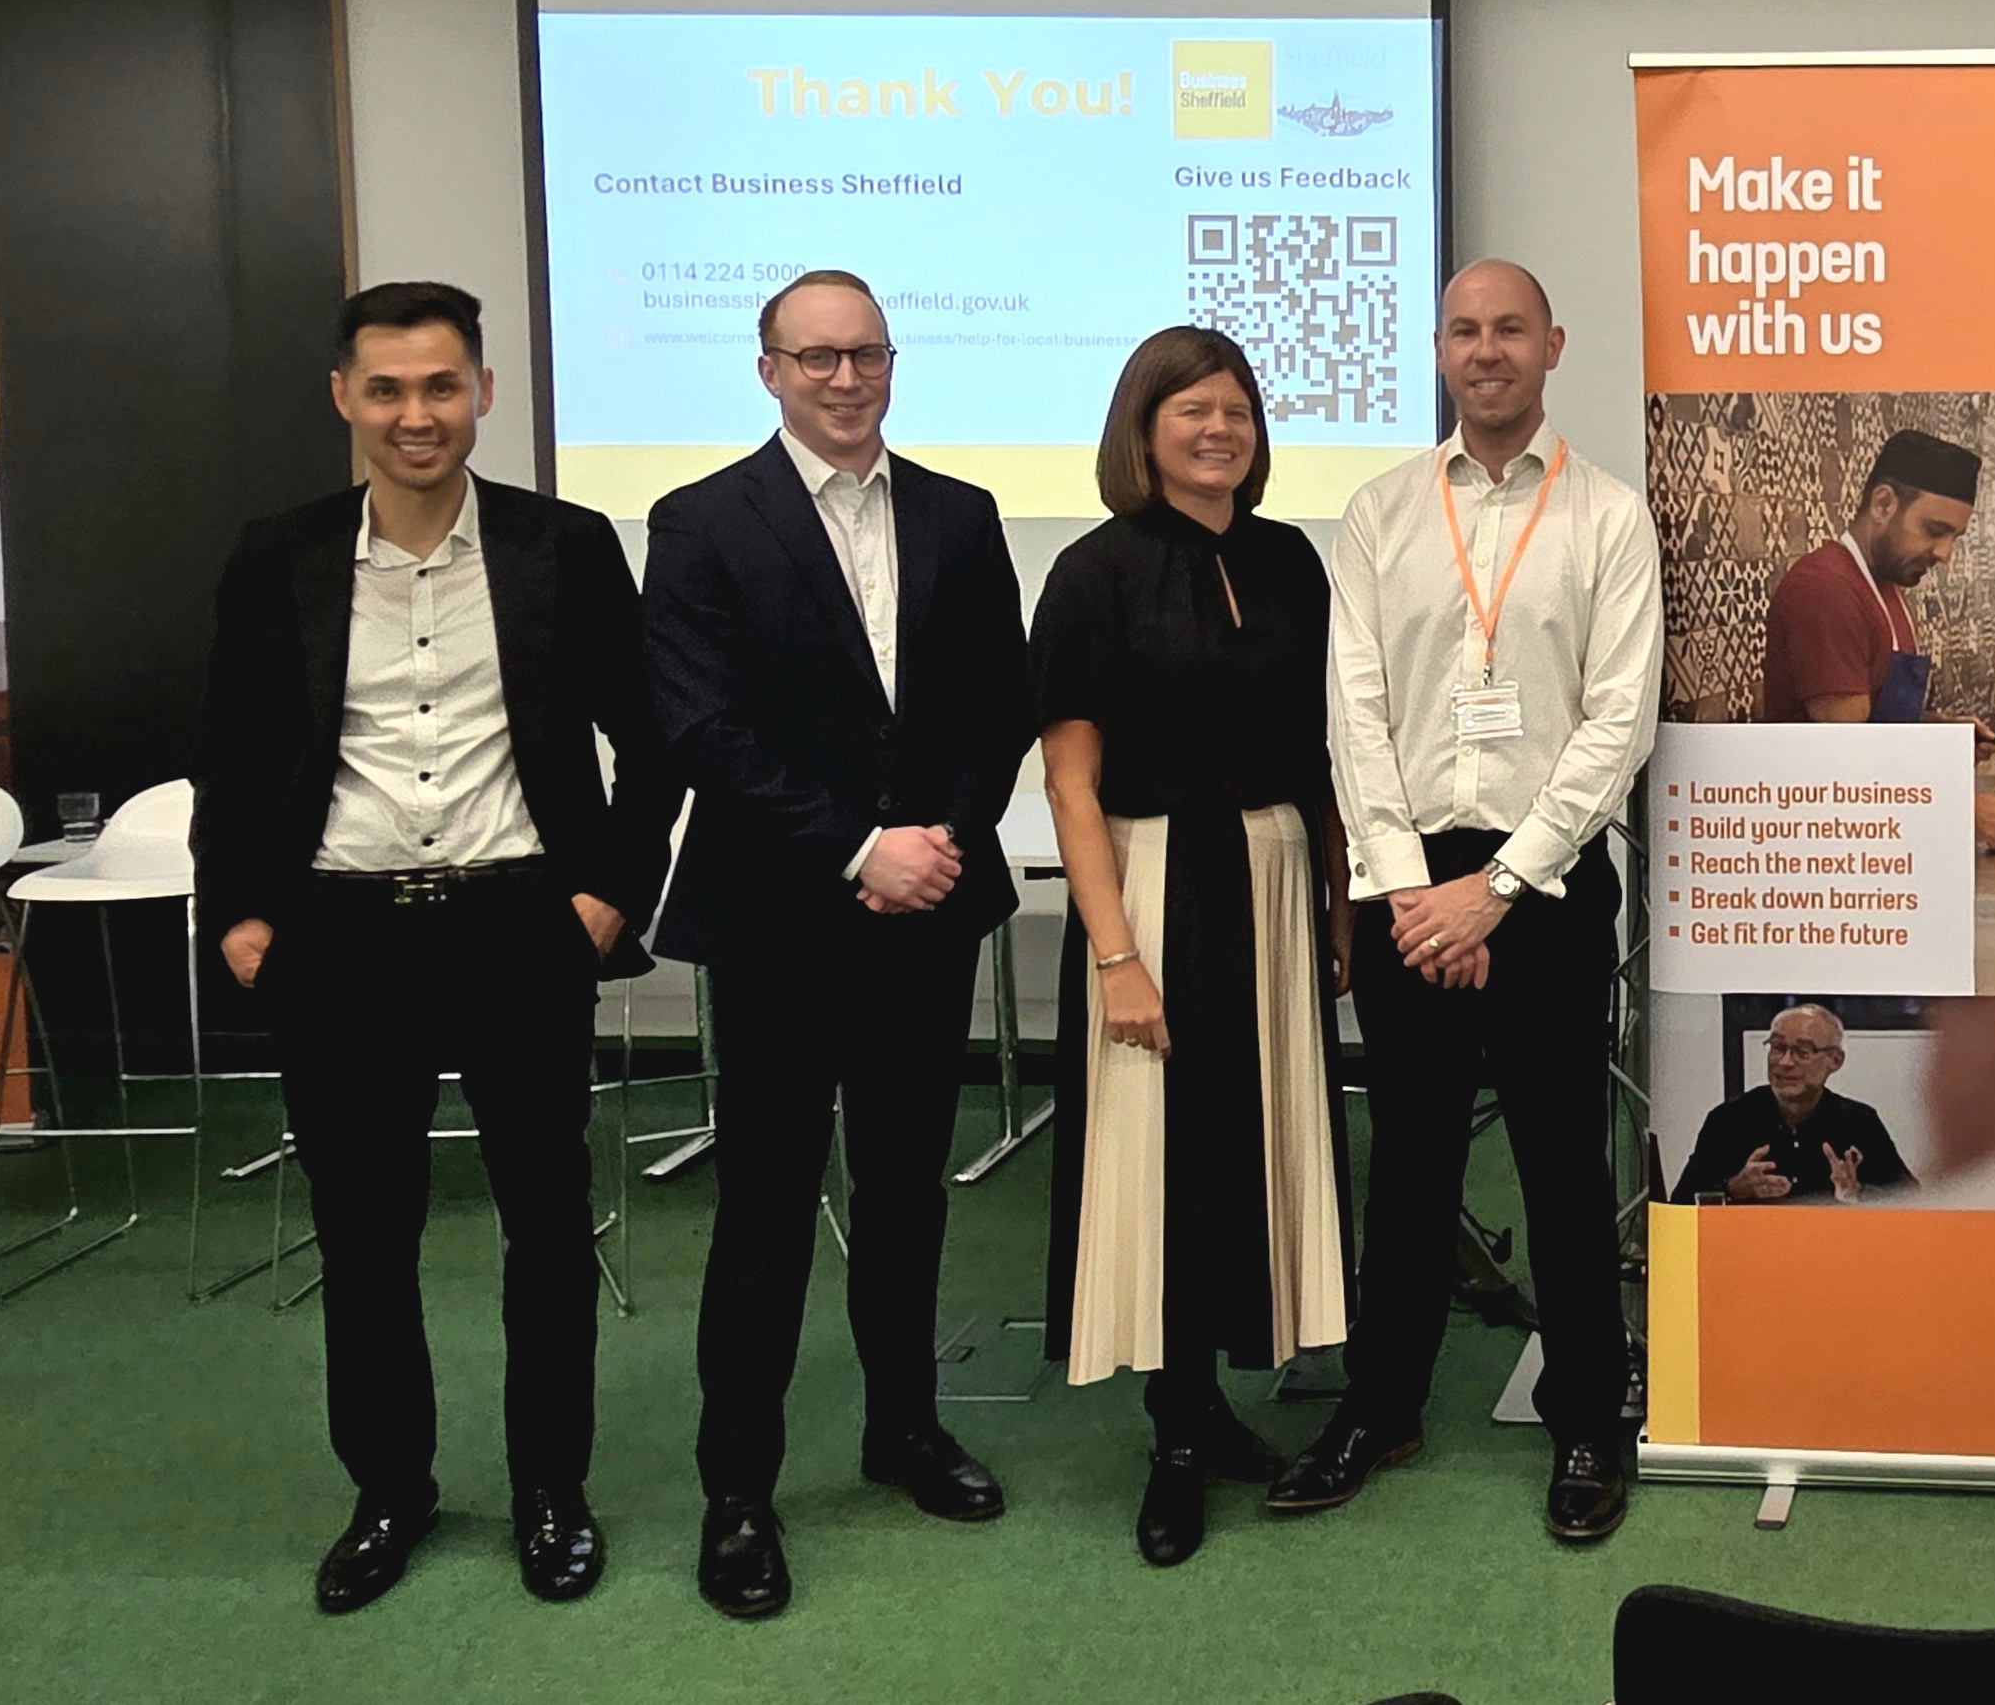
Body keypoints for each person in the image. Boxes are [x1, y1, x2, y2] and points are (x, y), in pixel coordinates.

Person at [187, 281, 675, 1614]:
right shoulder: (276, 555)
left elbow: (654, 736)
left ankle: (547, 1492)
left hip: (519, 923)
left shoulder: (562, 548)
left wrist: (609, 896)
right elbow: (230, 750)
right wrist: (238, 914)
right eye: (389, 389)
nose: (418, 415)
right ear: (344, 396)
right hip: (338, 937)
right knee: (365, 1237)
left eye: (442, 386)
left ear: (484, 395)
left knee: (547, 1231)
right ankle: (392, 1489)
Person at [643, 269, 1034, 1621]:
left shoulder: (958, 514)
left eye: (865, 353)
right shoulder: (699, 523)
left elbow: (1000, 703)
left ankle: (904, 1431)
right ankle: (738, 1490)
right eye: (816, 358)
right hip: (778, 924)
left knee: (909, 1197)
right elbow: (700, 727)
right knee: (762, 1213)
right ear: (768, 371)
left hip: (922, 918)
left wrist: (934, 839)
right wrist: (859, 849)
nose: (846, 379)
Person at [1288, 259, 1659, 1545]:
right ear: (1438, 348)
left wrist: (1495, 890)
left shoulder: (1609, 515)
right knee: (1412, 1162)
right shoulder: (1381, 511)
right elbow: (1355, 711)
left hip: (1543, 886)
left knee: (1562, 1159)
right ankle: (1379, 1404)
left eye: (1510, 328)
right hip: (1407, 889)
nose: (1486, 349)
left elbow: (1620, 721)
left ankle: (1587, 1424)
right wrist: (1405, 888)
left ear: (1554, 344)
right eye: (1463, 328)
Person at [1031, 326, 1354, 1569]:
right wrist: (1115, 953)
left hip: (1272, 872)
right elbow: (1071, 782)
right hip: (1151, 881)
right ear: (1142, 429)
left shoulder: (1289, 562)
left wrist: (1333, 903)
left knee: (1252, 1137)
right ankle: (1170, 1435)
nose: (1219, 430)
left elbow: (1326, 752)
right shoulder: (1092, 571)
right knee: (1157, 1152)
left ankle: (1216, 1398)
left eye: (1237, 410)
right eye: (1191, 411)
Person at [1754, 428, 1995, 852]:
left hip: (1879, 837)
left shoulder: (1886, 588)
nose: (1944, 553)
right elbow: (1846, 758)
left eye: (1954, 538)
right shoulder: (1826, 589)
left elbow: (1872, 720)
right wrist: (1964, 808)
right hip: (1825, 848)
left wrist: (1940, 735)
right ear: (1884, 503)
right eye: (1934, 530)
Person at [1670, 1005, 1916, 1205]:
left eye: (1803, 1051)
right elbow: (1679, 1206)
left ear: (1835, 1060)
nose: (1785, 1062)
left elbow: (1913, 1203)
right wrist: (1733, 1189)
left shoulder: (1859, 1122)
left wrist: (1858, 1192)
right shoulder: (1729, 1120)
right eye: (1778, 1048)